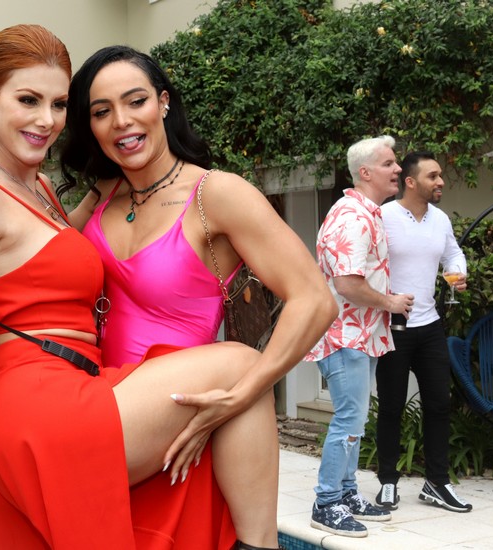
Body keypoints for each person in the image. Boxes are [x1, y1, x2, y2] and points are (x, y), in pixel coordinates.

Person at [0, 25, 329, 550]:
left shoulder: (44, 190)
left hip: (104, 394)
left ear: (163, 102)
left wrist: (106, 191)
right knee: (239, 364)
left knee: (239, 386)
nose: (46, 120)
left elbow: (51, 259)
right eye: (29, 100)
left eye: (58, 105)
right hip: (49, 403)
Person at [59, 45, 337, 548]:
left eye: (136, 101)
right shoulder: (104, 196)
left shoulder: (215, 194)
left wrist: (243, 393)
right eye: (102, 111)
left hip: (178, 408)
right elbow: (47, 260)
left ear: (164, 102)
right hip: (107, 405)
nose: (122, 121)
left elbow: (315, 300)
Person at [304, 135, 414, 537]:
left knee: (355, 419)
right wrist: (391, 302)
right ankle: (327, 502)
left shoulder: (366, 213)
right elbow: (348, 284)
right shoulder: (353, 217)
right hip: (344, 335)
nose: (398, 169)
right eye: (388, 164)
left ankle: (347, 493)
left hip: (357, 335)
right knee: (349, 419)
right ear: (365, 172)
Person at [376, 151, 472, 513]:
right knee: (391, 406)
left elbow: (453, 255)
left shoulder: (440, 219)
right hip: (394, 326)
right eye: (433, 176)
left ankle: (437, 482)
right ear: (411, 182)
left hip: (429, 325)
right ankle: (388, 481)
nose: (441, 181)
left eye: (441, 175)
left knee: (439, 405)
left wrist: (458, 272)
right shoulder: (384, 216)